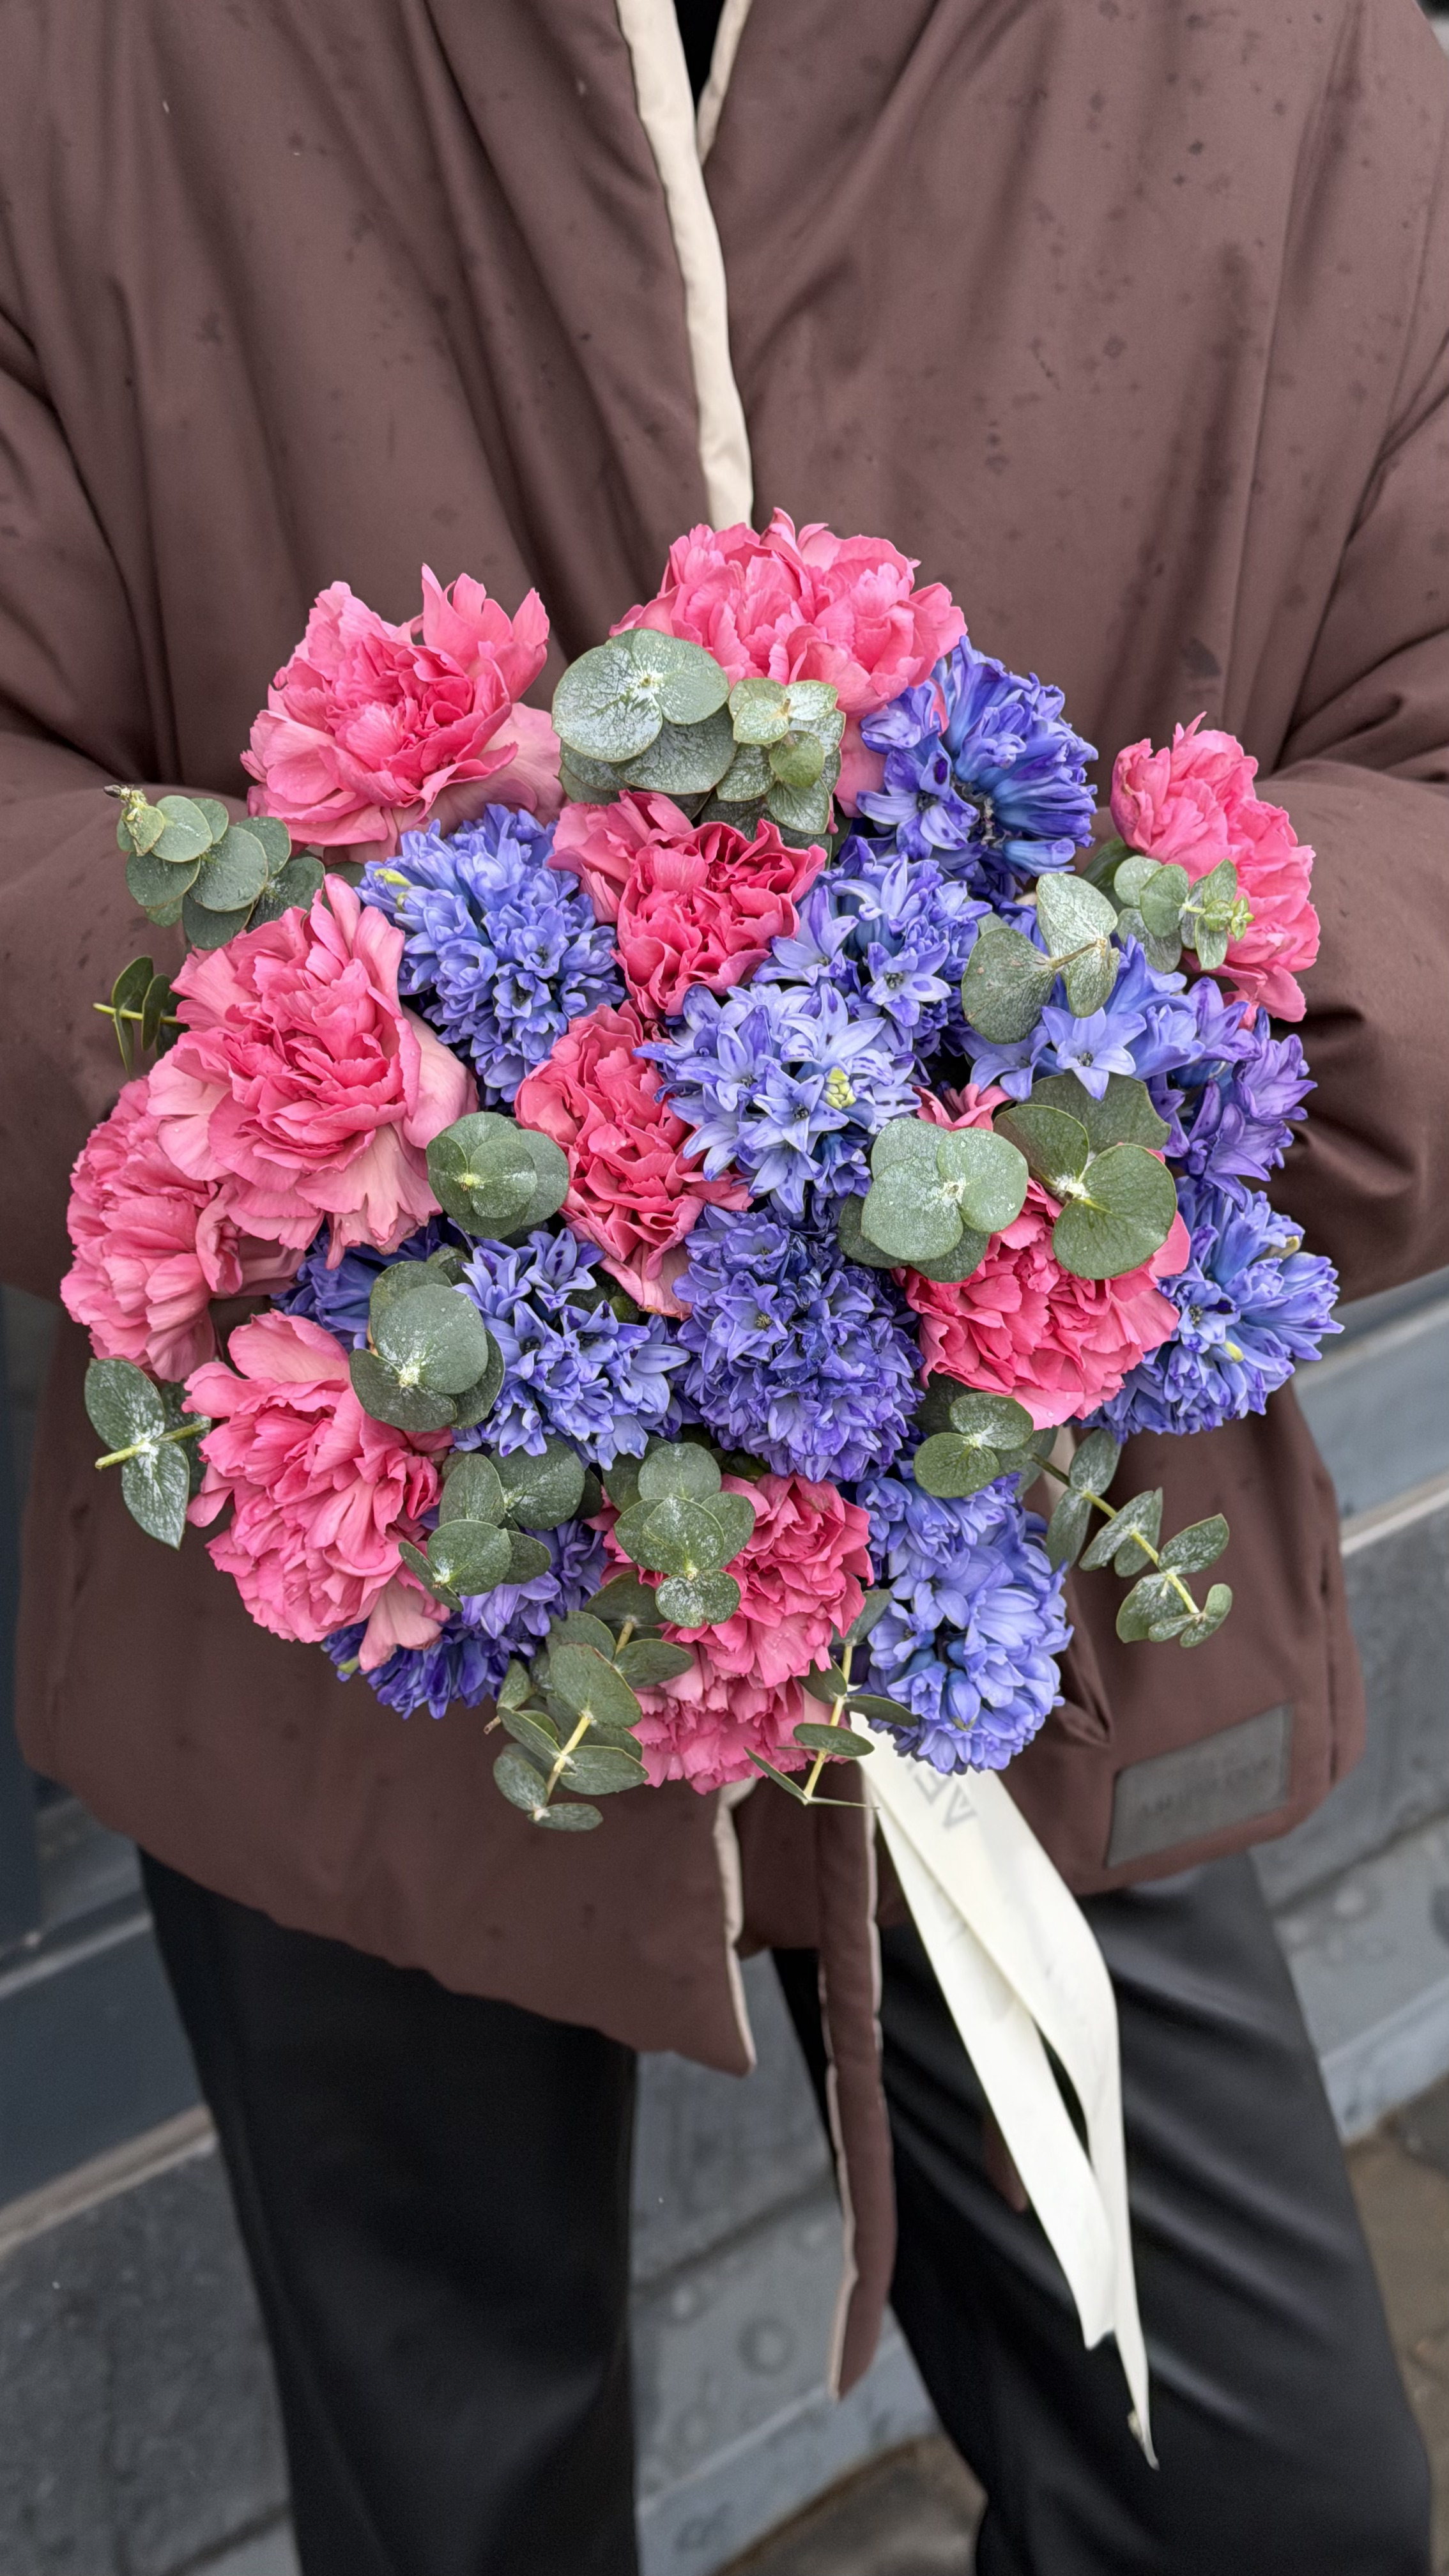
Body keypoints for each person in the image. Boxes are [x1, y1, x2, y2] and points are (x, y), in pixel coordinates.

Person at [3, 3, 1446, 2569]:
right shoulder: (97, 62)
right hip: (362, 1577)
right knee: (456, 2499)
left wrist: (1066, 1072)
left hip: (1017, 1573)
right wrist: (374, 1113)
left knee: (1264, 2505)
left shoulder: (1298, 58)